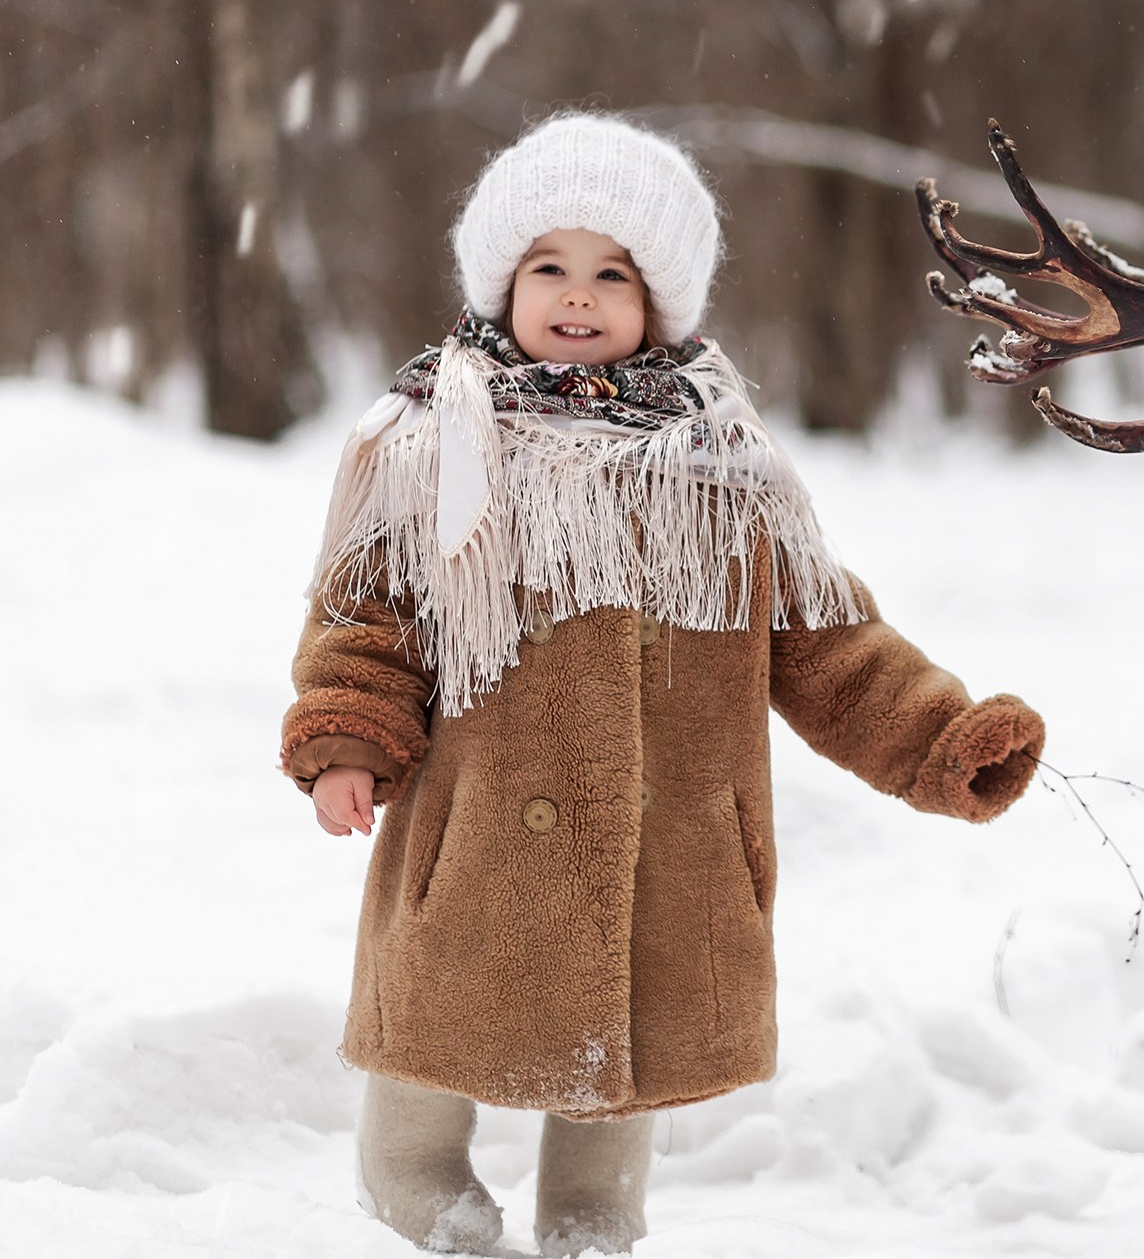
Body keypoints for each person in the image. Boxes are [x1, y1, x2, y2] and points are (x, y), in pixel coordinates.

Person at [279, 113, 1044, 1255]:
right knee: (437, 1012)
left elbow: (828, 640)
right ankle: (413, 1182)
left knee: (621, 1032)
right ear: (503, 282)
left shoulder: (724, 468)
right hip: (472, 821)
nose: (577, 295)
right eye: (549, 266)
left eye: (613, 274)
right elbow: (364, 613)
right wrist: (347, 733)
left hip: (668, 830)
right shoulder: (429, 443)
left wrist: (937, 737)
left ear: (658, 301)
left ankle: (593, 1218)